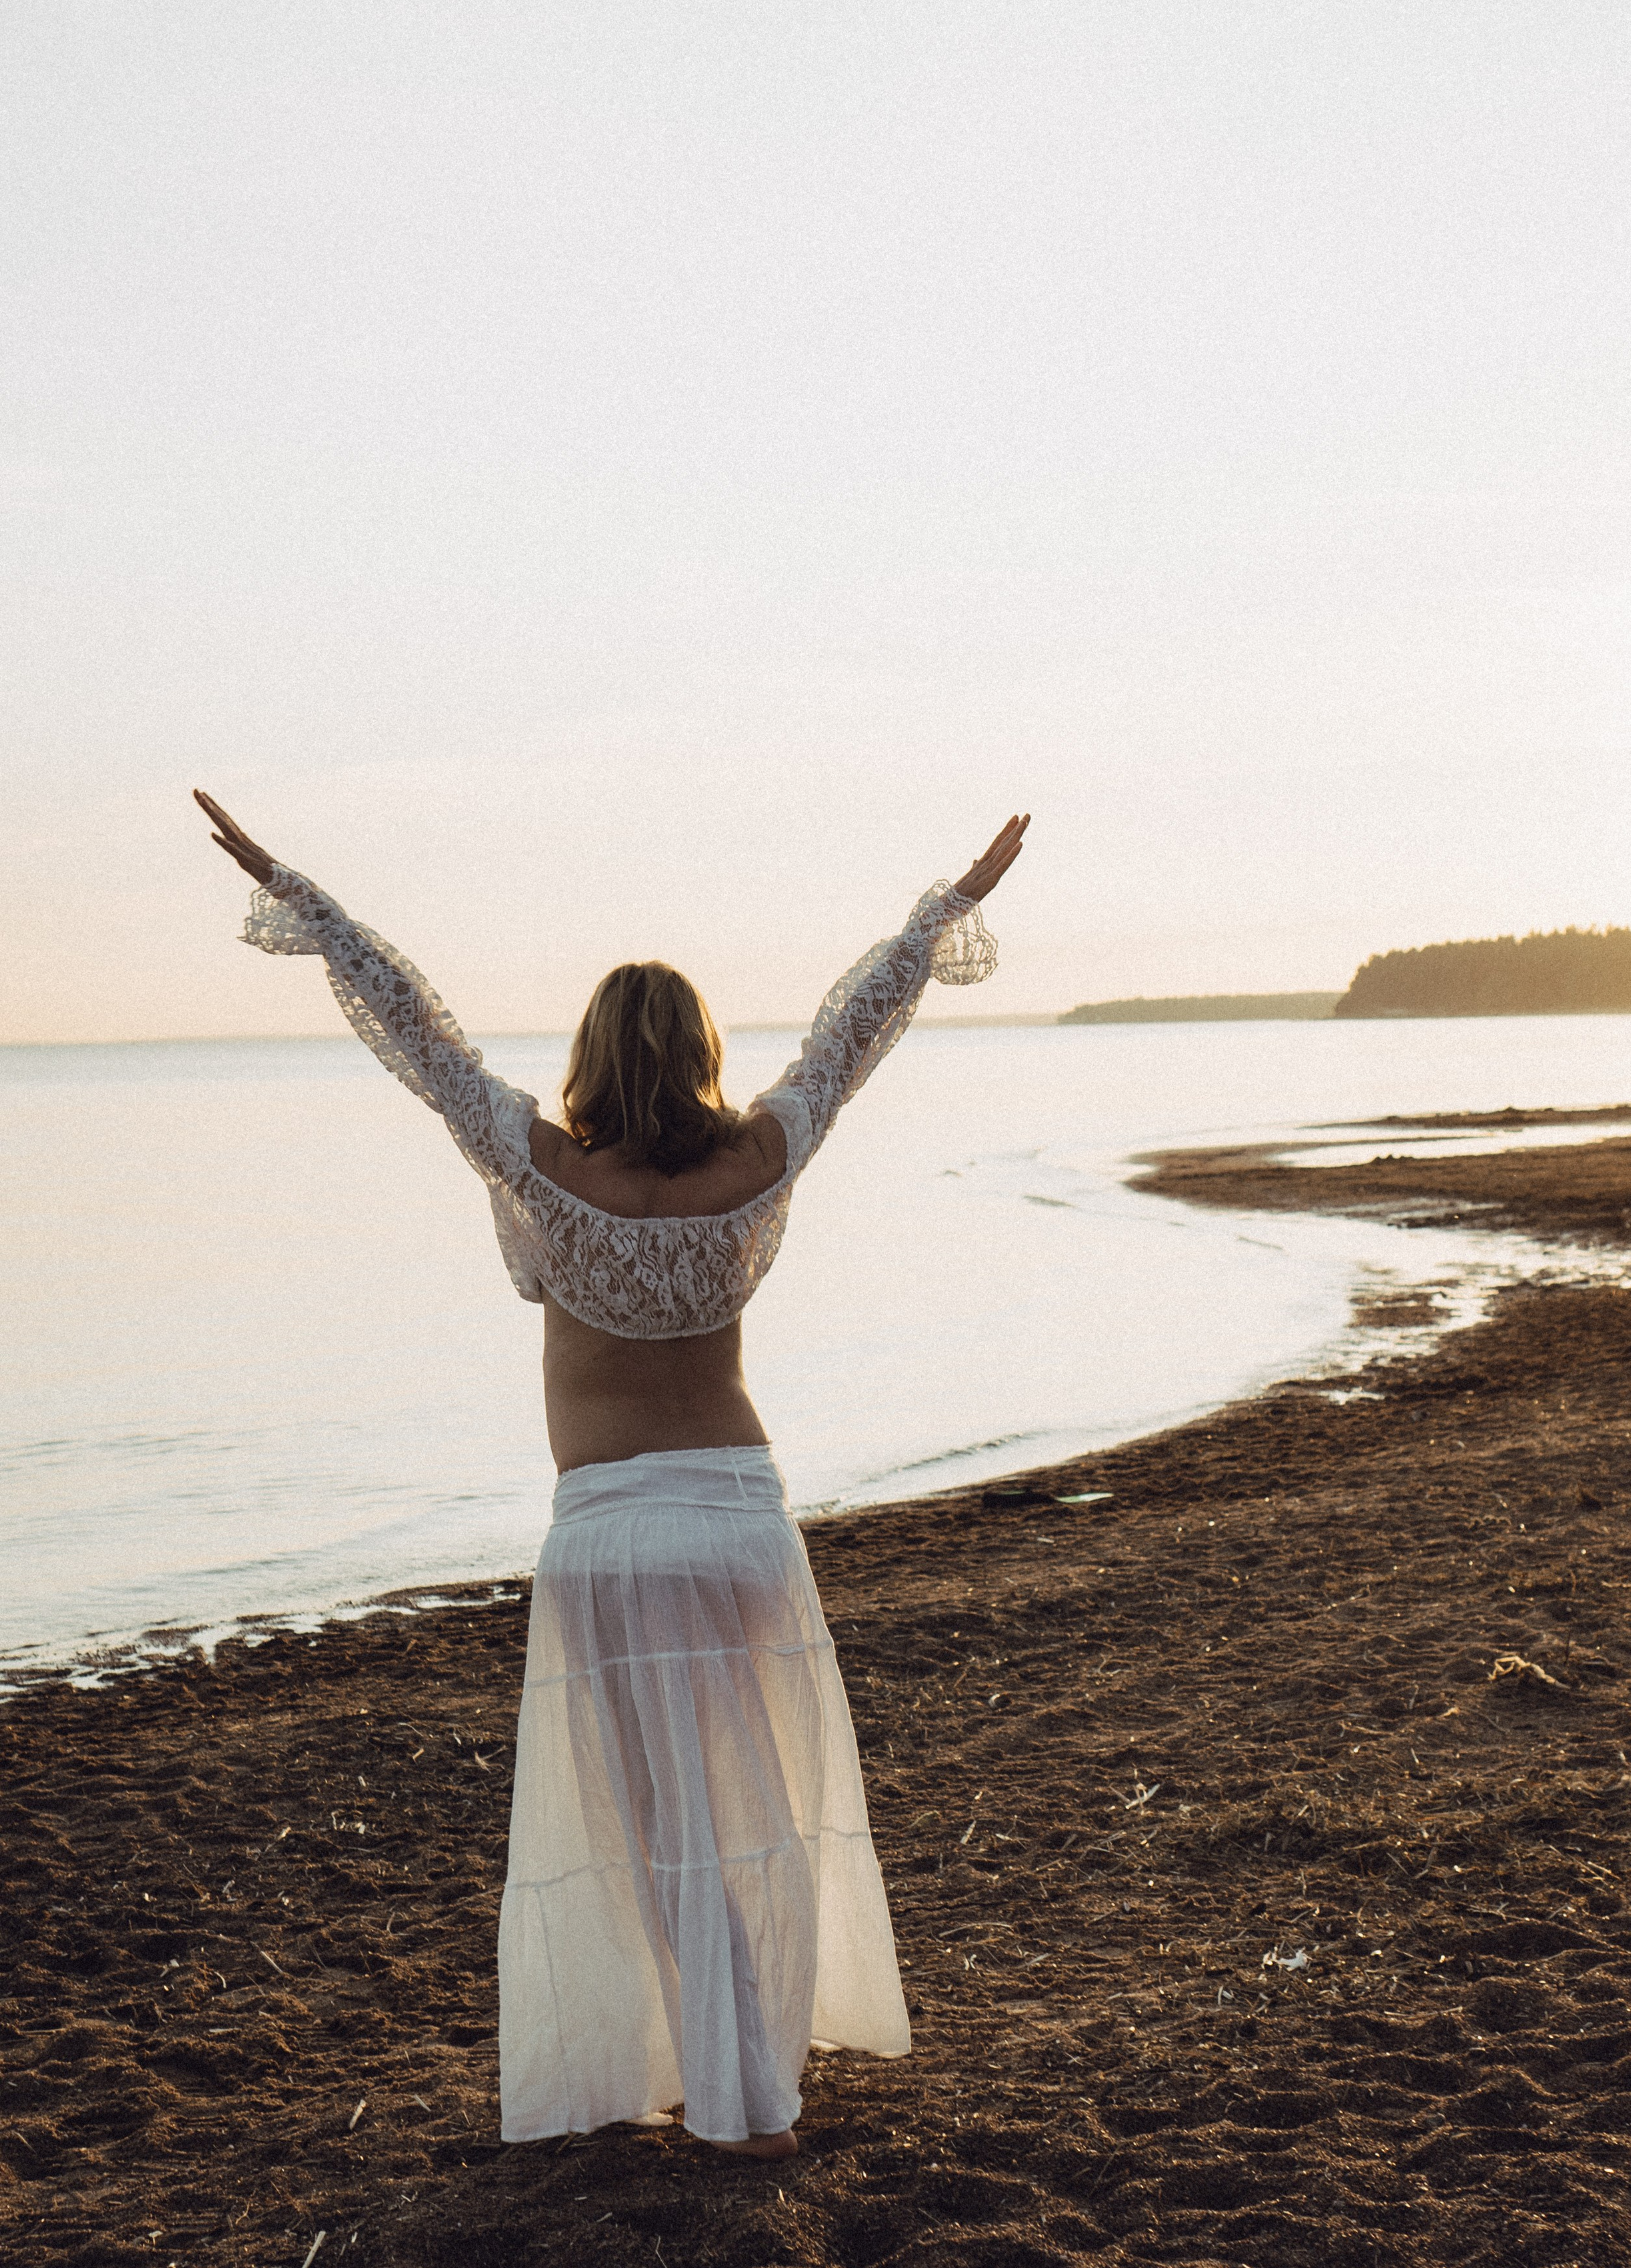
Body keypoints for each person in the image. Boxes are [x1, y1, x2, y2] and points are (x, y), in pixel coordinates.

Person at [197, 790, 1029, 2159]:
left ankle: (717, 2087)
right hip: (738, 1519)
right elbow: (852, 1037)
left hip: (609, 1534)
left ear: (591, 1053)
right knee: (754, 1813)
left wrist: (311, 903)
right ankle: (749, 2091)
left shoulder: (540, 1165)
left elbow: (420, 1038)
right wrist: (943, 909)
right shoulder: (757, 1157)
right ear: (700, 1052)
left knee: (654, 1828)